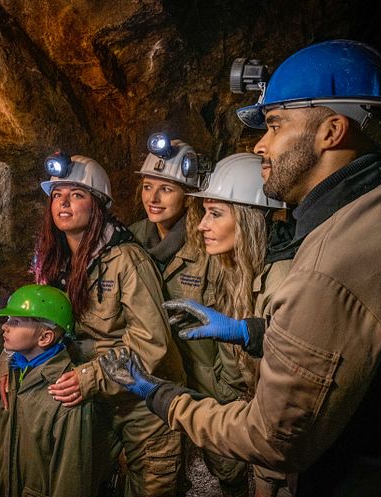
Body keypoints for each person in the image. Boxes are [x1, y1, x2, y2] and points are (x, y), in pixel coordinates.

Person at [100, 39, 381, 496]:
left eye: (275, 124)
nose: (261, 143)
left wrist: (161, 396)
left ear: (332, 131)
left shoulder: (335, 262)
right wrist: (253, 332)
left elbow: (271, 438)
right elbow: (373, 346)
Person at [10, 153, 187, 496]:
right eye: (58, 194)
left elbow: (153, 343)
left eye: (77, 195)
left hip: (142, 405)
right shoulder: (54, 259)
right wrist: (9, 359)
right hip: (93, 404)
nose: (64, 202)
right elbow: (37, 320)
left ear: (98, 206)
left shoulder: (126, 260)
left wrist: (90, 377)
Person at [129, 137, 250, 496]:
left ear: (189, 194)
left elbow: (231, 315)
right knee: (162, 469)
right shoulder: (132, 239)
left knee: (228, 466)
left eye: (166, 189)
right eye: (148, 186)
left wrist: (229, 388)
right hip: (157, 372)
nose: (153, 197)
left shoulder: (209, 243)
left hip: (207, 379)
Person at [169, 152, 291, 497]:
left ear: (249, 219)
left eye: (216, 214)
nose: (203, 224)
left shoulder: (282, 276)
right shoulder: (240, 267)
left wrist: (246, 333)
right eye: (205, 212)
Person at [0, 284, 108, 497]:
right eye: (7, 320)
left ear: (45, 337)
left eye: (15, 322)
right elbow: (0, 448)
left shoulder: (65, 393)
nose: (4, 327)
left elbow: (70, 480)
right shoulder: (16, 373)